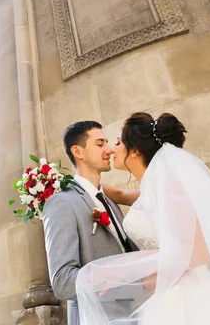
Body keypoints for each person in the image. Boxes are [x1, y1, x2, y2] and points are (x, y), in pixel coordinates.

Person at [76, 112, 210, 324]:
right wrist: (69, 180)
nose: (111, 149)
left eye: (117, 142)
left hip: (193, 296)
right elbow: (118, 194)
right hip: (171, 291)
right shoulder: (151, 187)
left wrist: (128, 269)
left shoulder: (168, 184)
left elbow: (201, 250)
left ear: (134, 151)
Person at [42, 121, 138, 325]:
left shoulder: (110, 201)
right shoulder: (61, 203)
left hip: (134, 314)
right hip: (97, 318)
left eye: (108, 143)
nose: (109, 149)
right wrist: (107, 274)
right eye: (100, 143)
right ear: (78, 151)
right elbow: (62, 281)